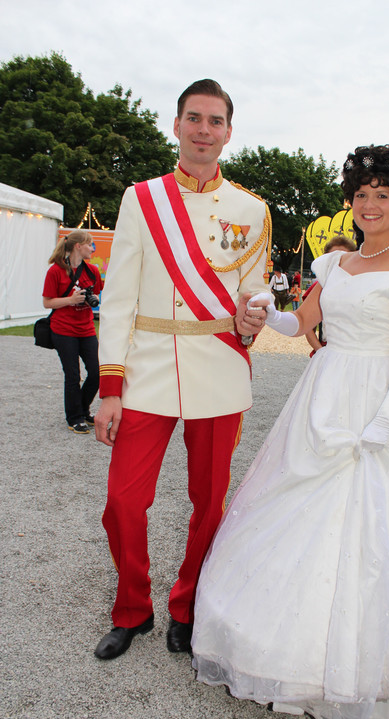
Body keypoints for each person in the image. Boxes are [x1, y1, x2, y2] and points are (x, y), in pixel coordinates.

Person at [192, 145, 389, 719]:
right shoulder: (334, 264)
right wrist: (266, 312)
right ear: (351, 201)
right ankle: (283, 651)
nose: (370, 205)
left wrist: (383, 423)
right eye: (361, 194)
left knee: (376, 523)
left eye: (383, 195)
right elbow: (302, 325)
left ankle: (368, 666)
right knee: (294, 505)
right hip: (322, 394)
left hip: (381, 398)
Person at [93, 79, 271, 661]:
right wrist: (110, 387)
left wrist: (253, 317)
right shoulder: (141, 199)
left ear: (228, 132)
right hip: (146, 373)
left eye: (215, 121)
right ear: (176, 125)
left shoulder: (252, 210)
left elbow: (253, 293)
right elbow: (118, 297)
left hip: (218, 372)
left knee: (209, 504)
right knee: (123, 501)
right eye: (194, 118)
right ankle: (132, 609)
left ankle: (187, 606)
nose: (203, 130)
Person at [42, 230, 102, 434]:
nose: (92, 248)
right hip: (63, 329)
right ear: (78, 246)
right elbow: (47, 302)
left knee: (97, 372)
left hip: (86, 328)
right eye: (89, 244)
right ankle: (75, 418)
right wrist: (71, 300)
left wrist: (89, 298)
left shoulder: (92, 270)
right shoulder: (55, 271)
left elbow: (97, 294)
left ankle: (82, 409)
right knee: (73, 375)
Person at [305, 235, 357, 355]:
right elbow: (307, 327)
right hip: (327, 349)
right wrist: (321, 352)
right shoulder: (320, 286)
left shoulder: (361, 286)